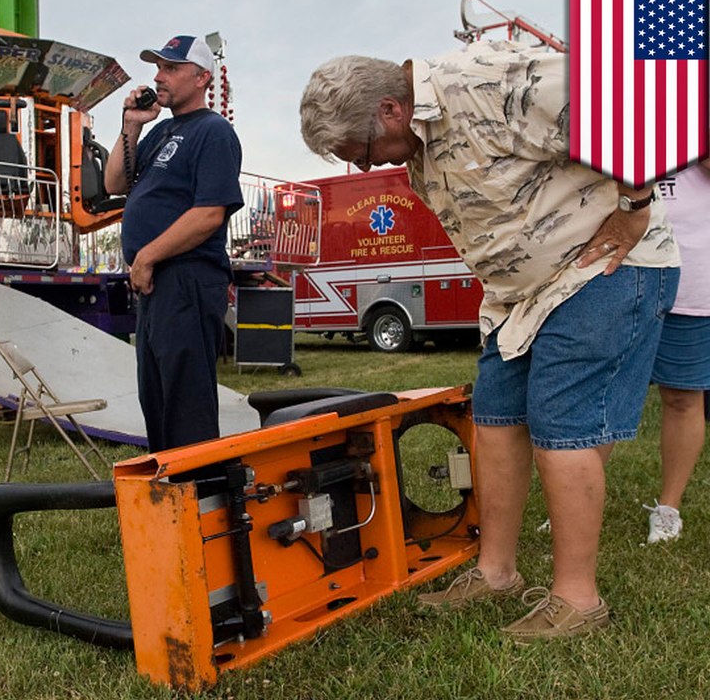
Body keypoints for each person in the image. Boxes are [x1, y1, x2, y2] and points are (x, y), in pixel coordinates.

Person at [299, 40, 680, 641]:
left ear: (393, 111)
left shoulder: (490, 80)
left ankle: (577, 599)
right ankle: (495, 571)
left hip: (600, 269)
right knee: (496, 420)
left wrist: (635, 206)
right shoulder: (416, 137)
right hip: (515, 298)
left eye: (363, 153)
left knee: (563, 424)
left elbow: (628, 108)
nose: (366, 170)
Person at [102, 35, 243, 452]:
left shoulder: (213, 131)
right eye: (158, 68)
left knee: (186, 399)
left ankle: (201, 493)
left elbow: (209, 214)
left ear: (201, 78)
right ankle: (171, 487)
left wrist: (146, 257)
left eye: (171, 68)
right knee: (158, 395)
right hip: (157, 284)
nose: (159, 77)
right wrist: (130, 124)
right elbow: (114, 182)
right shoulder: (161, 131)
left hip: (187, 278)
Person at [645, 159, 710, 544]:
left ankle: (668, 509)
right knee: (599, 392)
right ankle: (577, 498)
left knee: (683, 397)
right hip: (619, 273)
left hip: (692, 280)